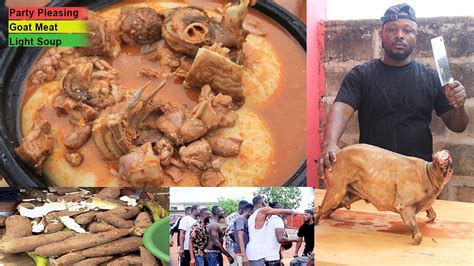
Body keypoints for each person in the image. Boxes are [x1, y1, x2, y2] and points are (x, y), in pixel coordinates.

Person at [317, 3, 469, 179]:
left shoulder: (431, 78)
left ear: (416, 36)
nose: (399, 35)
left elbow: (457, 126)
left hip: (418, 178)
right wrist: (330, 143)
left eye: (407, 30)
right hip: (371, 176)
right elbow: (341, 109)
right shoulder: (361, 75)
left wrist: (459, 106)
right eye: (392, 29)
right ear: (382, 34)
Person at [246, 196, 303, 265]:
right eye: (264, 201)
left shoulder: (253, 216)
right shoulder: (264, 212)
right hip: (260, 254)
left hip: (254, 253)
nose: (266, 203)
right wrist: (297, 212)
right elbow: (280, 239)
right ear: (261, 202)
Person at [225, 200, 249, 266]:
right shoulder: (233, 217)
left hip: (240, 246)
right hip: (232, 245)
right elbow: (231, 233)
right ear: (242, 208)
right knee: (234, 264)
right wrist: (240, 245)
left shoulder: (244, 217)